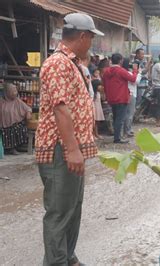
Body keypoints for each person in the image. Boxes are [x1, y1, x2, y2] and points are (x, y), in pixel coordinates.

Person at [36, 13, 103, 265]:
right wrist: (72, 150)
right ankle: (56, 262)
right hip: (60, 149)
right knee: (60, 211)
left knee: (73, 208)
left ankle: (68, 257)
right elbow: (60, 108)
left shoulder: (74, 63)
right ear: (83, 36)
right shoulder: (58, 64)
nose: (92, 43)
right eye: (91, 38)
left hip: (71, 149)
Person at [102, 53, 138, 143]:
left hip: (111, 97)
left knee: (115, 118)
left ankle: (116, 135)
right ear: (120, 60)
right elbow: (133, 79)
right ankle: (117, 138)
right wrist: (135, 71)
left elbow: (104, 84)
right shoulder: (121, 71)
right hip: (121, 97)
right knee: (120, 119)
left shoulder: (106, 71)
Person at [0, 82, 32, 155]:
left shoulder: (17, 101)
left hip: (15, 125)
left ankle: (13, 148)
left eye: (16, 91)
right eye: (13, 91)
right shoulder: (1, 102)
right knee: (6, 131)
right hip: (3, 126)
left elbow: (27, 108)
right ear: (7, 92)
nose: (15, 93)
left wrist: (28, 113)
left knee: (18, 128)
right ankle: (7, 149)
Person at [122, 58, 141, 138]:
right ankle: (127, 130)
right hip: (131, 94)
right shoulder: (129, 73)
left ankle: (127, 129)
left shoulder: (127, 72)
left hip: (128, 93)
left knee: (127, 113)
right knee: (129, 113)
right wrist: (139, 73)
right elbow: (136, 81)